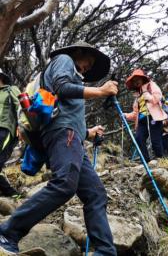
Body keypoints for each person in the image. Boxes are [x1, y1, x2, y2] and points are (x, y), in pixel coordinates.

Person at [0, 41, 118, 255]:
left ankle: (105, 251)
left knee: (96, 194)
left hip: (72, 137)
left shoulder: (72, 73)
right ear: (78, 52)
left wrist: (88, 133)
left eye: (90, 67)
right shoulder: (64, 60)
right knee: (64, 184)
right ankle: (8, 232)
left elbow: (65, 110)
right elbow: (61, 87)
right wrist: (101, 91)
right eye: (88, 62)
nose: (87, 68)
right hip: (64, 134)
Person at [124, 69, 167, 163]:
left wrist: (148, 95)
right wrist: (126, 115)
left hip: (153, 117)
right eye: (134, 81)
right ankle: (146, 161)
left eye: (137, 79)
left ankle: (161, 161)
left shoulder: (151, 86)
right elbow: (136, 113)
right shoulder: (137, 95)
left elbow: (157, 98)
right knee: (139, 139)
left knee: (155, 140)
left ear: (142, 79)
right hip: (141, 120)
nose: (136, 82)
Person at [0, 69, 21, 198]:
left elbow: (22, 106)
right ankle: (10, 192)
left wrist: (22, 125)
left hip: (4, 129)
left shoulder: (10, 89)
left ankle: (12, 194)